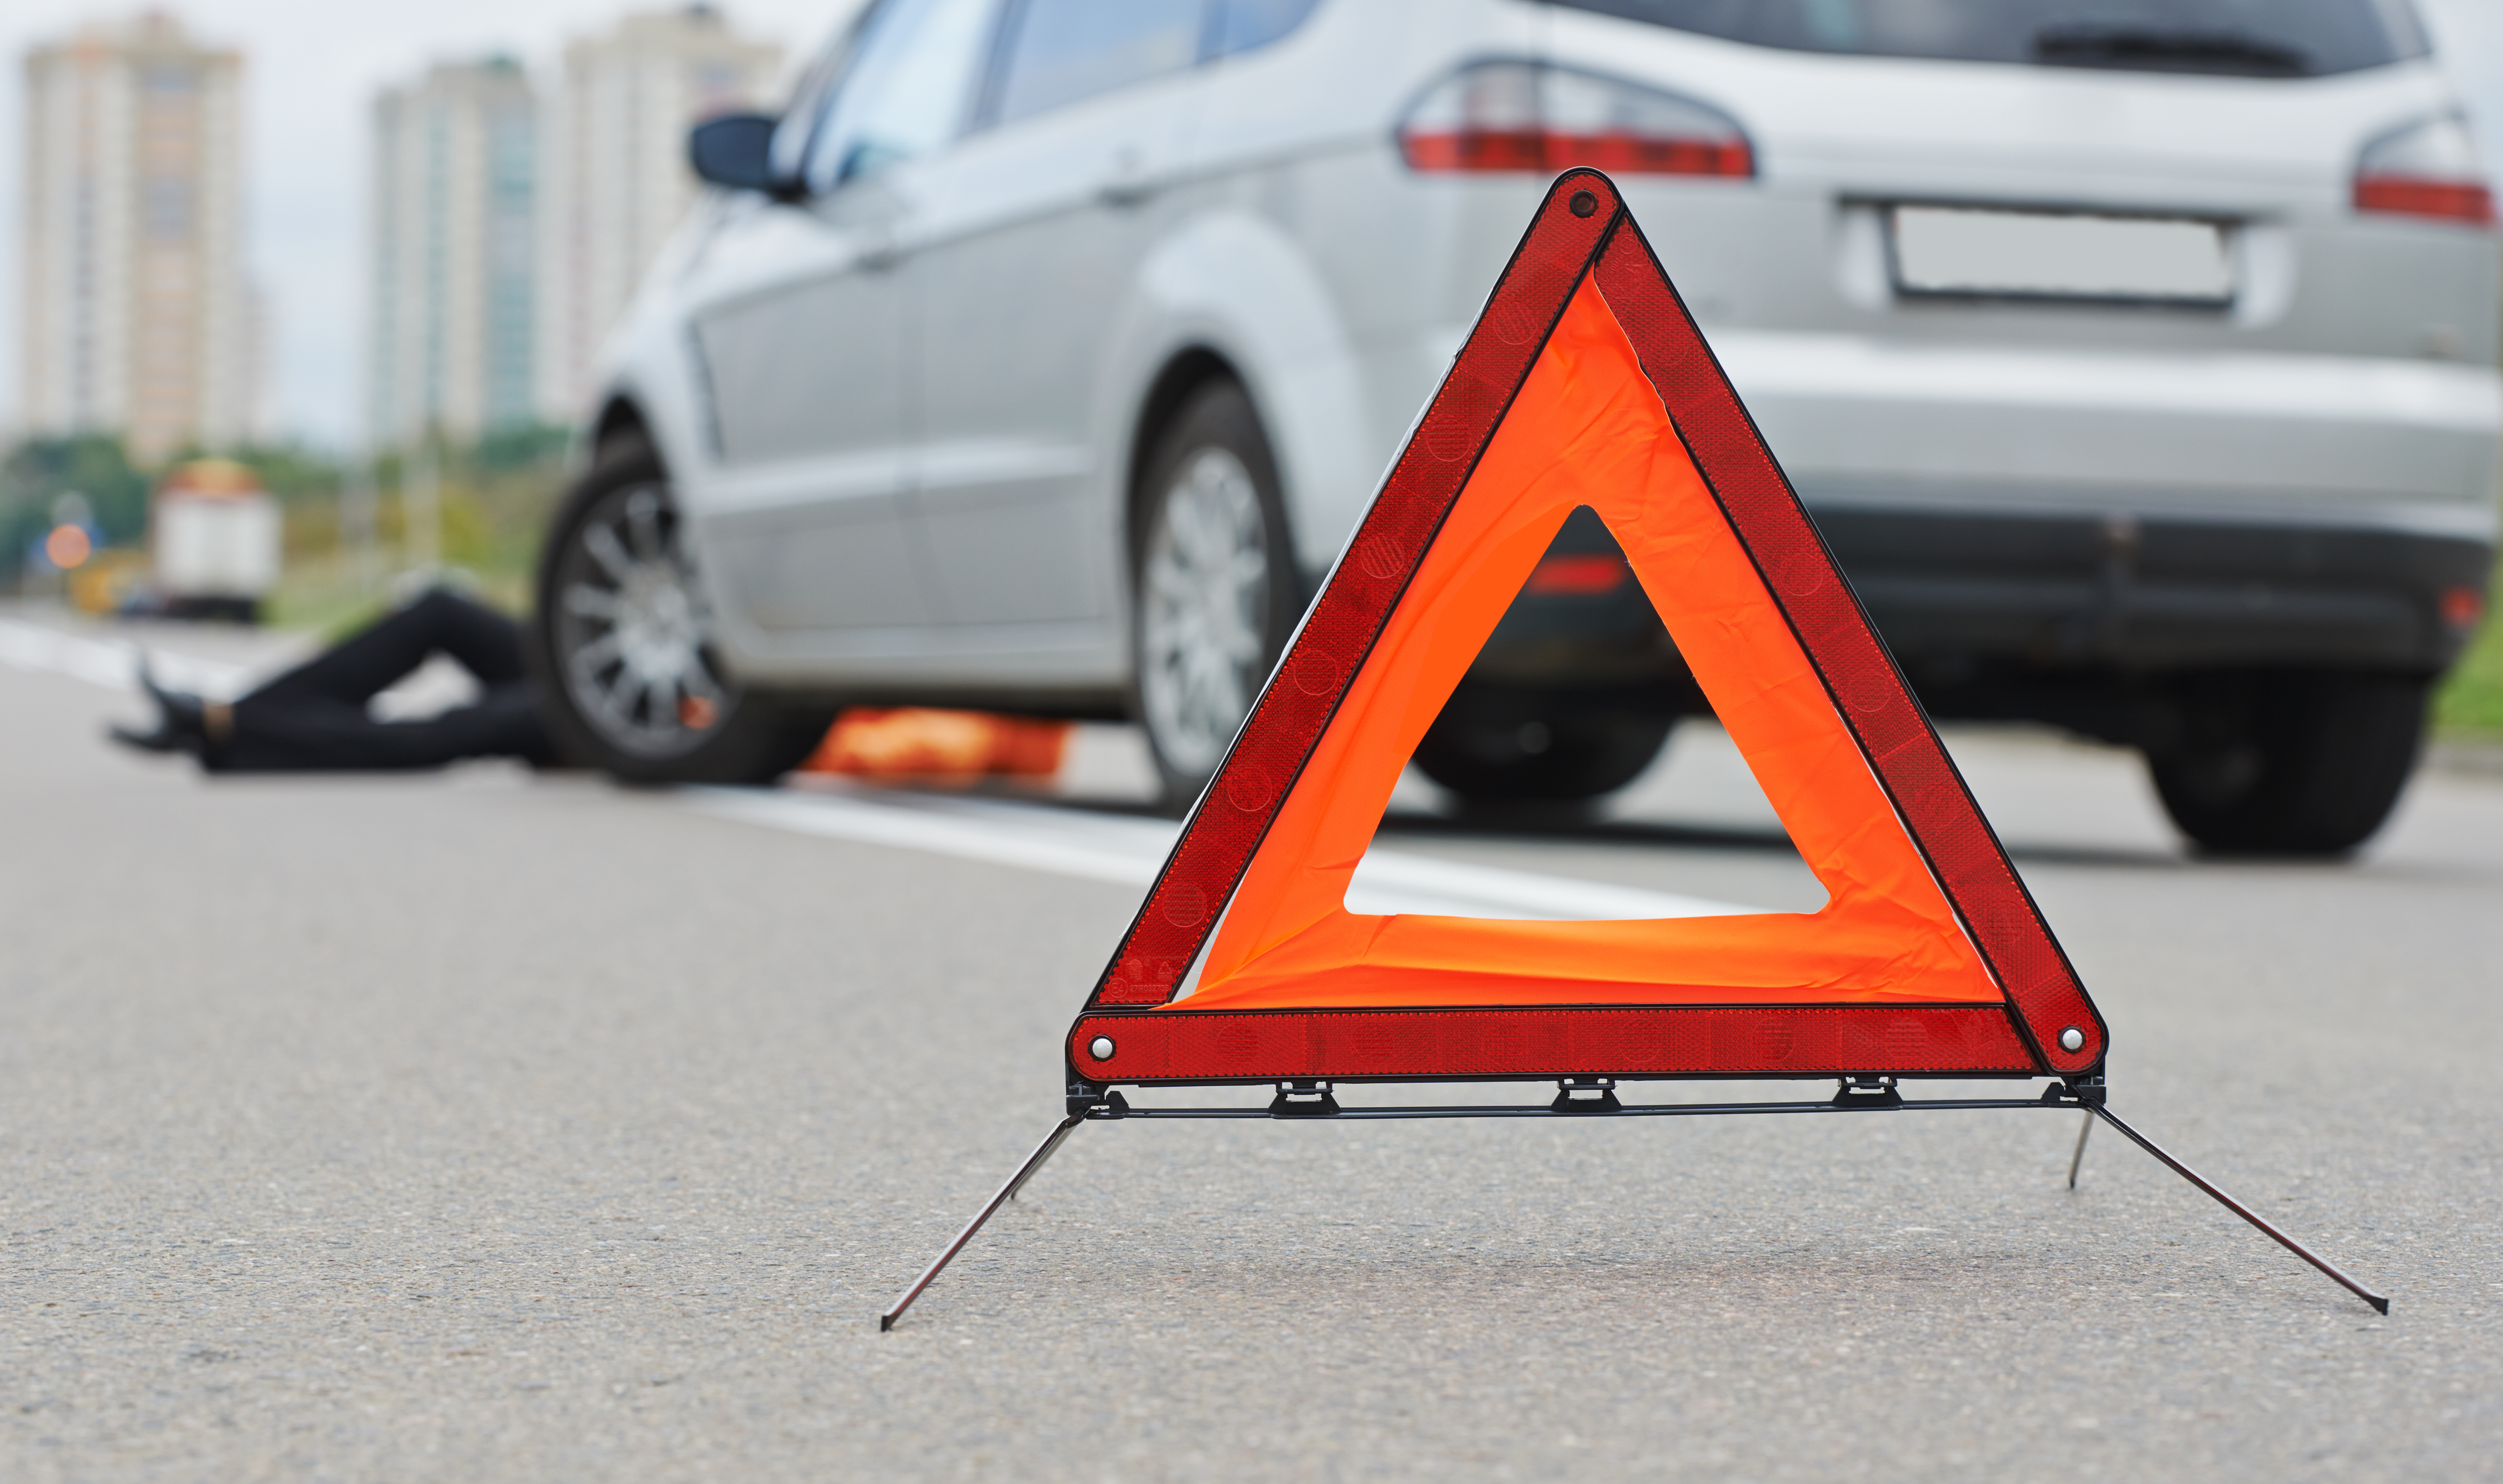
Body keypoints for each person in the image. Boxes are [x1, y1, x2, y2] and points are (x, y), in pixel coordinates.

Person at [111, 587, 558, 772]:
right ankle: (229, 716)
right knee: (438, 611)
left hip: (612, 724)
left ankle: (222, 726)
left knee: (466, 724)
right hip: (586, 666)